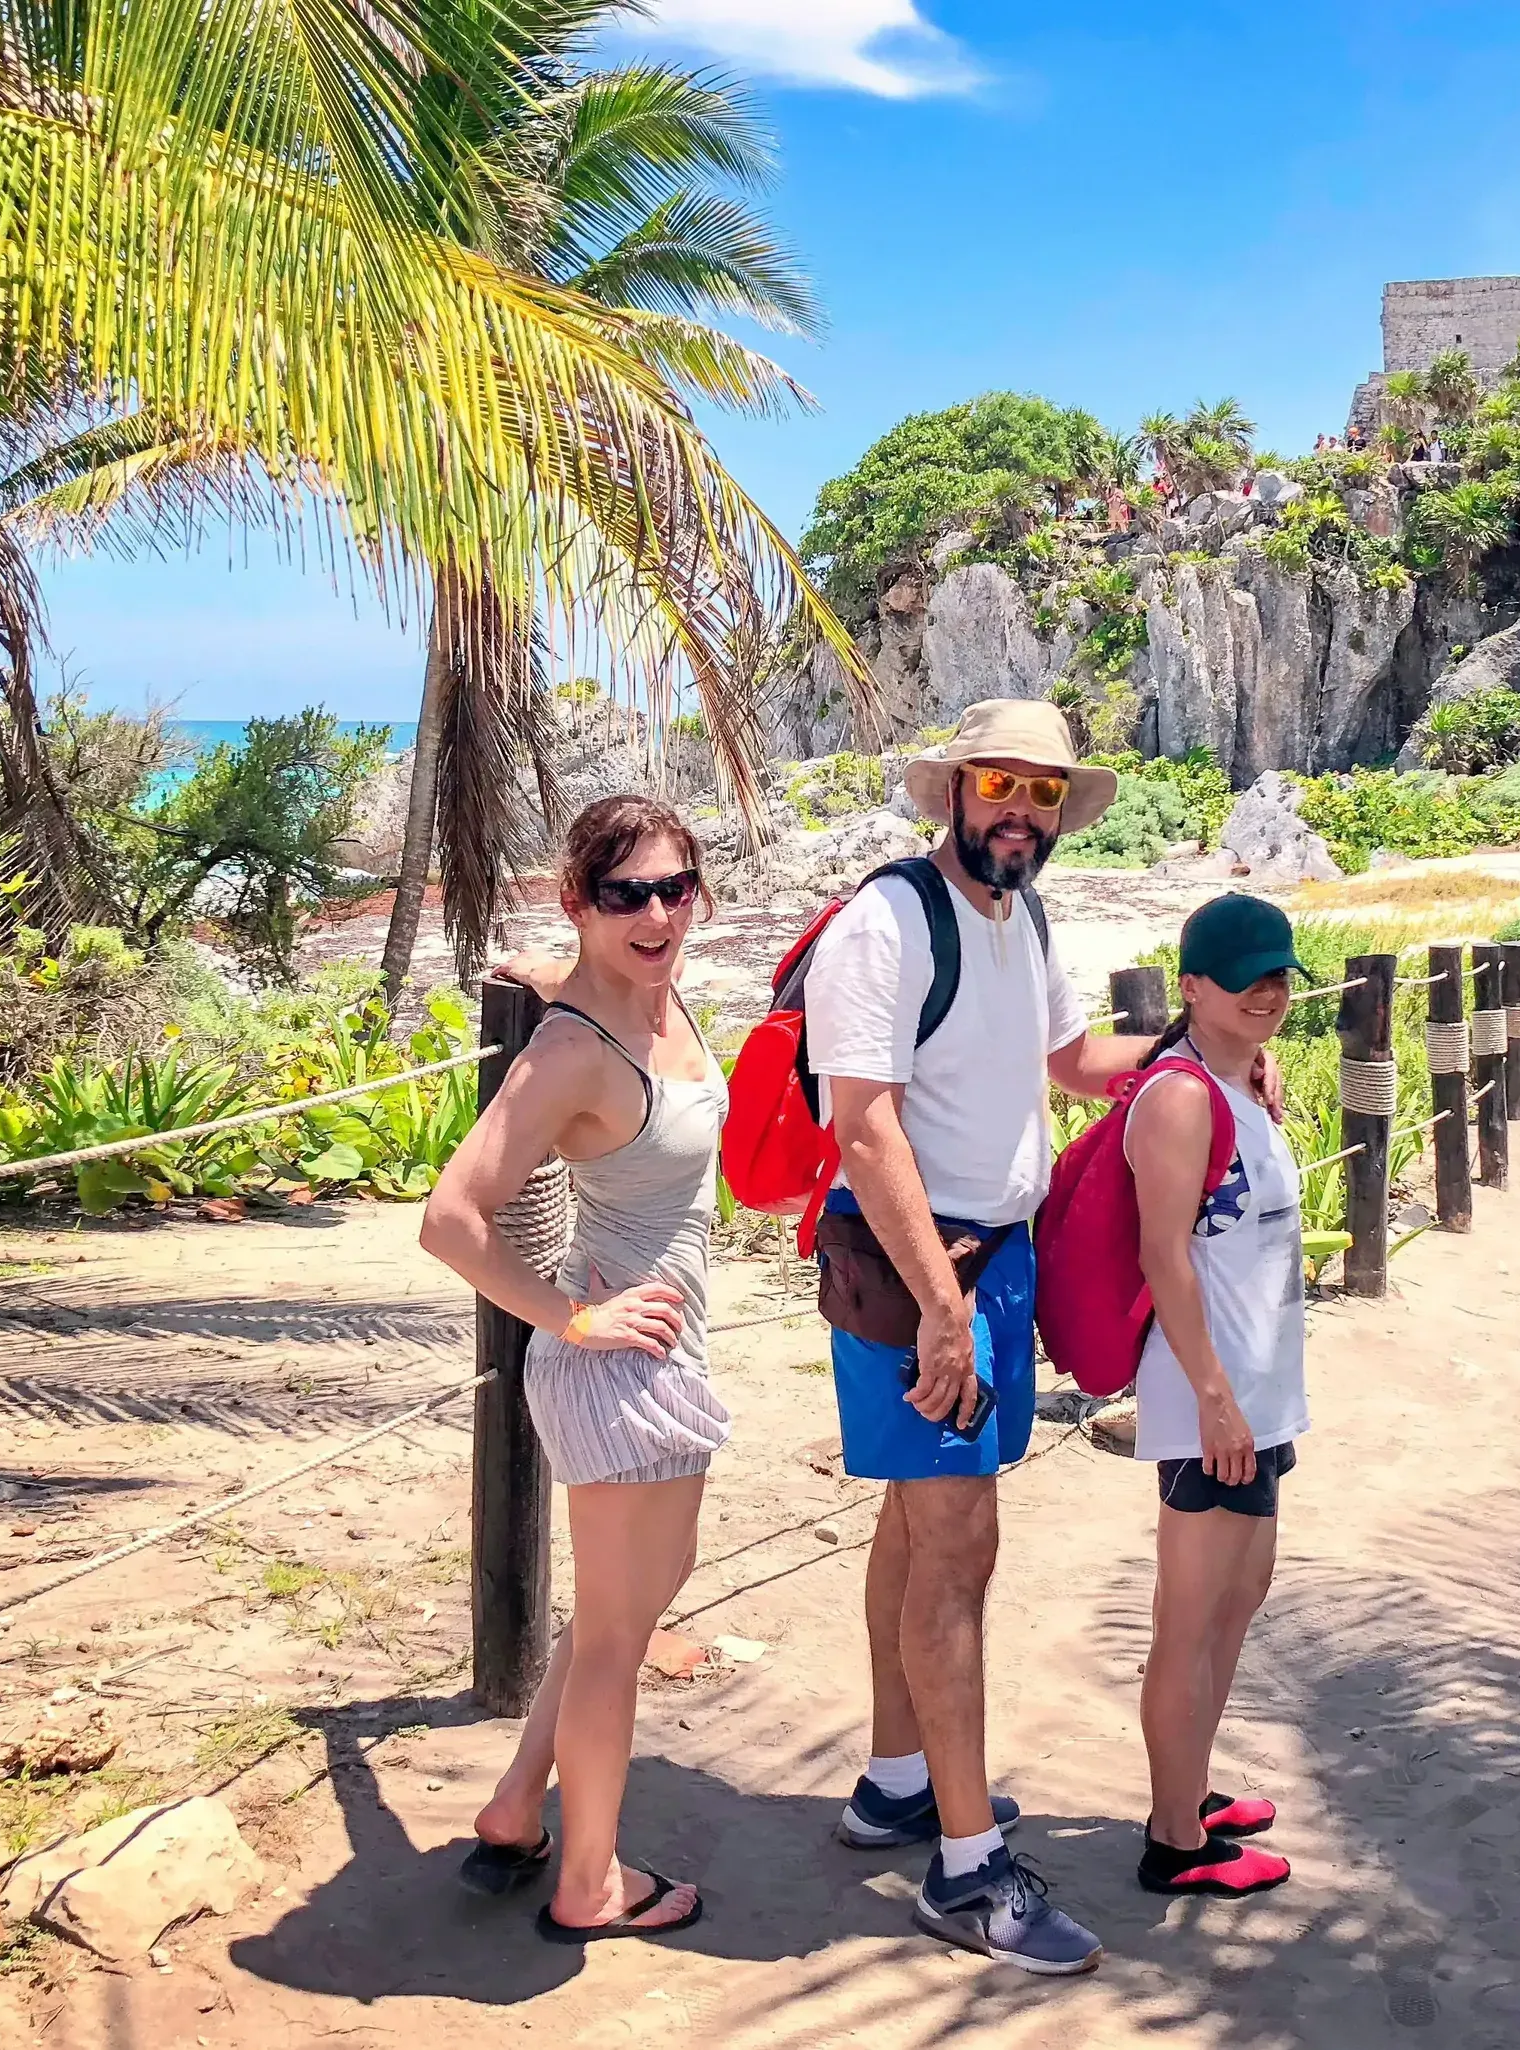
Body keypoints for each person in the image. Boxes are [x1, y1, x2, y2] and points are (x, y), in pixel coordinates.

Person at [800, 700, 1155, 1976]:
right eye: (999, 783)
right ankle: (966, 1870)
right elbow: (863, 1123)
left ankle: (899, 1782)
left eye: (1043, 792)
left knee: (920, 1526)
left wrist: (1199, 1049)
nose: (1021, 810)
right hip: (917, 1277)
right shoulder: (888, 924)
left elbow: (1071, 1060)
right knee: (960, 1548)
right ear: (953, 791)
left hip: (992, 1264)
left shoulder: (1024, 917)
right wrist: (943, 1313)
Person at [419, 793, 729, 1945]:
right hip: (614, 1360)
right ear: (578, 900)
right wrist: (574, 1317)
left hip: (669, 1348)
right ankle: (589, 1882)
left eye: (673, 889)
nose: (656, 915)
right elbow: (449, 1219)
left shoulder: (649, 990)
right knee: (612, 1637)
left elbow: (589, 977)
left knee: (637, 1598)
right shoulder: (570, 1051)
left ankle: (517, 1805)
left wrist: (558, 965)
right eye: (624, 894)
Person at [1124, 895, 1311, 1899]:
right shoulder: (1180, 1099)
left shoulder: (1242, 1081)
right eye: (1245, 978)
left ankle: (1190, 1789)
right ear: (1192, 986)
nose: (1267, 992)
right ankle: (1173, 1839)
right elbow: (1164, 1256)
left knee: (1239, 1601)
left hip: (1260, 1392)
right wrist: (1214, 1398)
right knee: (1189, 1621)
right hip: (1213, 1399)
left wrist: (1249, 1400)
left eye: (1277, 974)